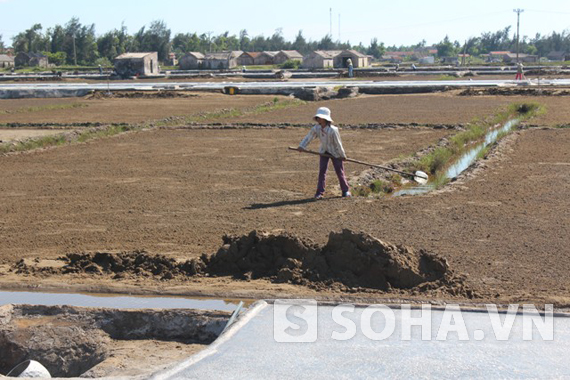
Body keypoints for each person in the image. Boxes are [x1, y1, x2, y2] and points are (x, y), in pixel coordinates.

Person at [298, 107, 351, 199]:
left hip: (335, 153)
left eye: (320, 117)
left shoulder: (333, 130)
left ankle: (345, 190)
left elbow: (338, 144)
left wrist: (342, 156)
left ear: (325, 119)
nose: (318, 119)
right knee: (322, 171)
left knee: (339, 171)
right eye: (317, 117)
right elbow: (308, 137)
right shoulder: (316, 128)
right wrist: (302, 146)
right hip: (323, 151)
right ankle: (319, 193)